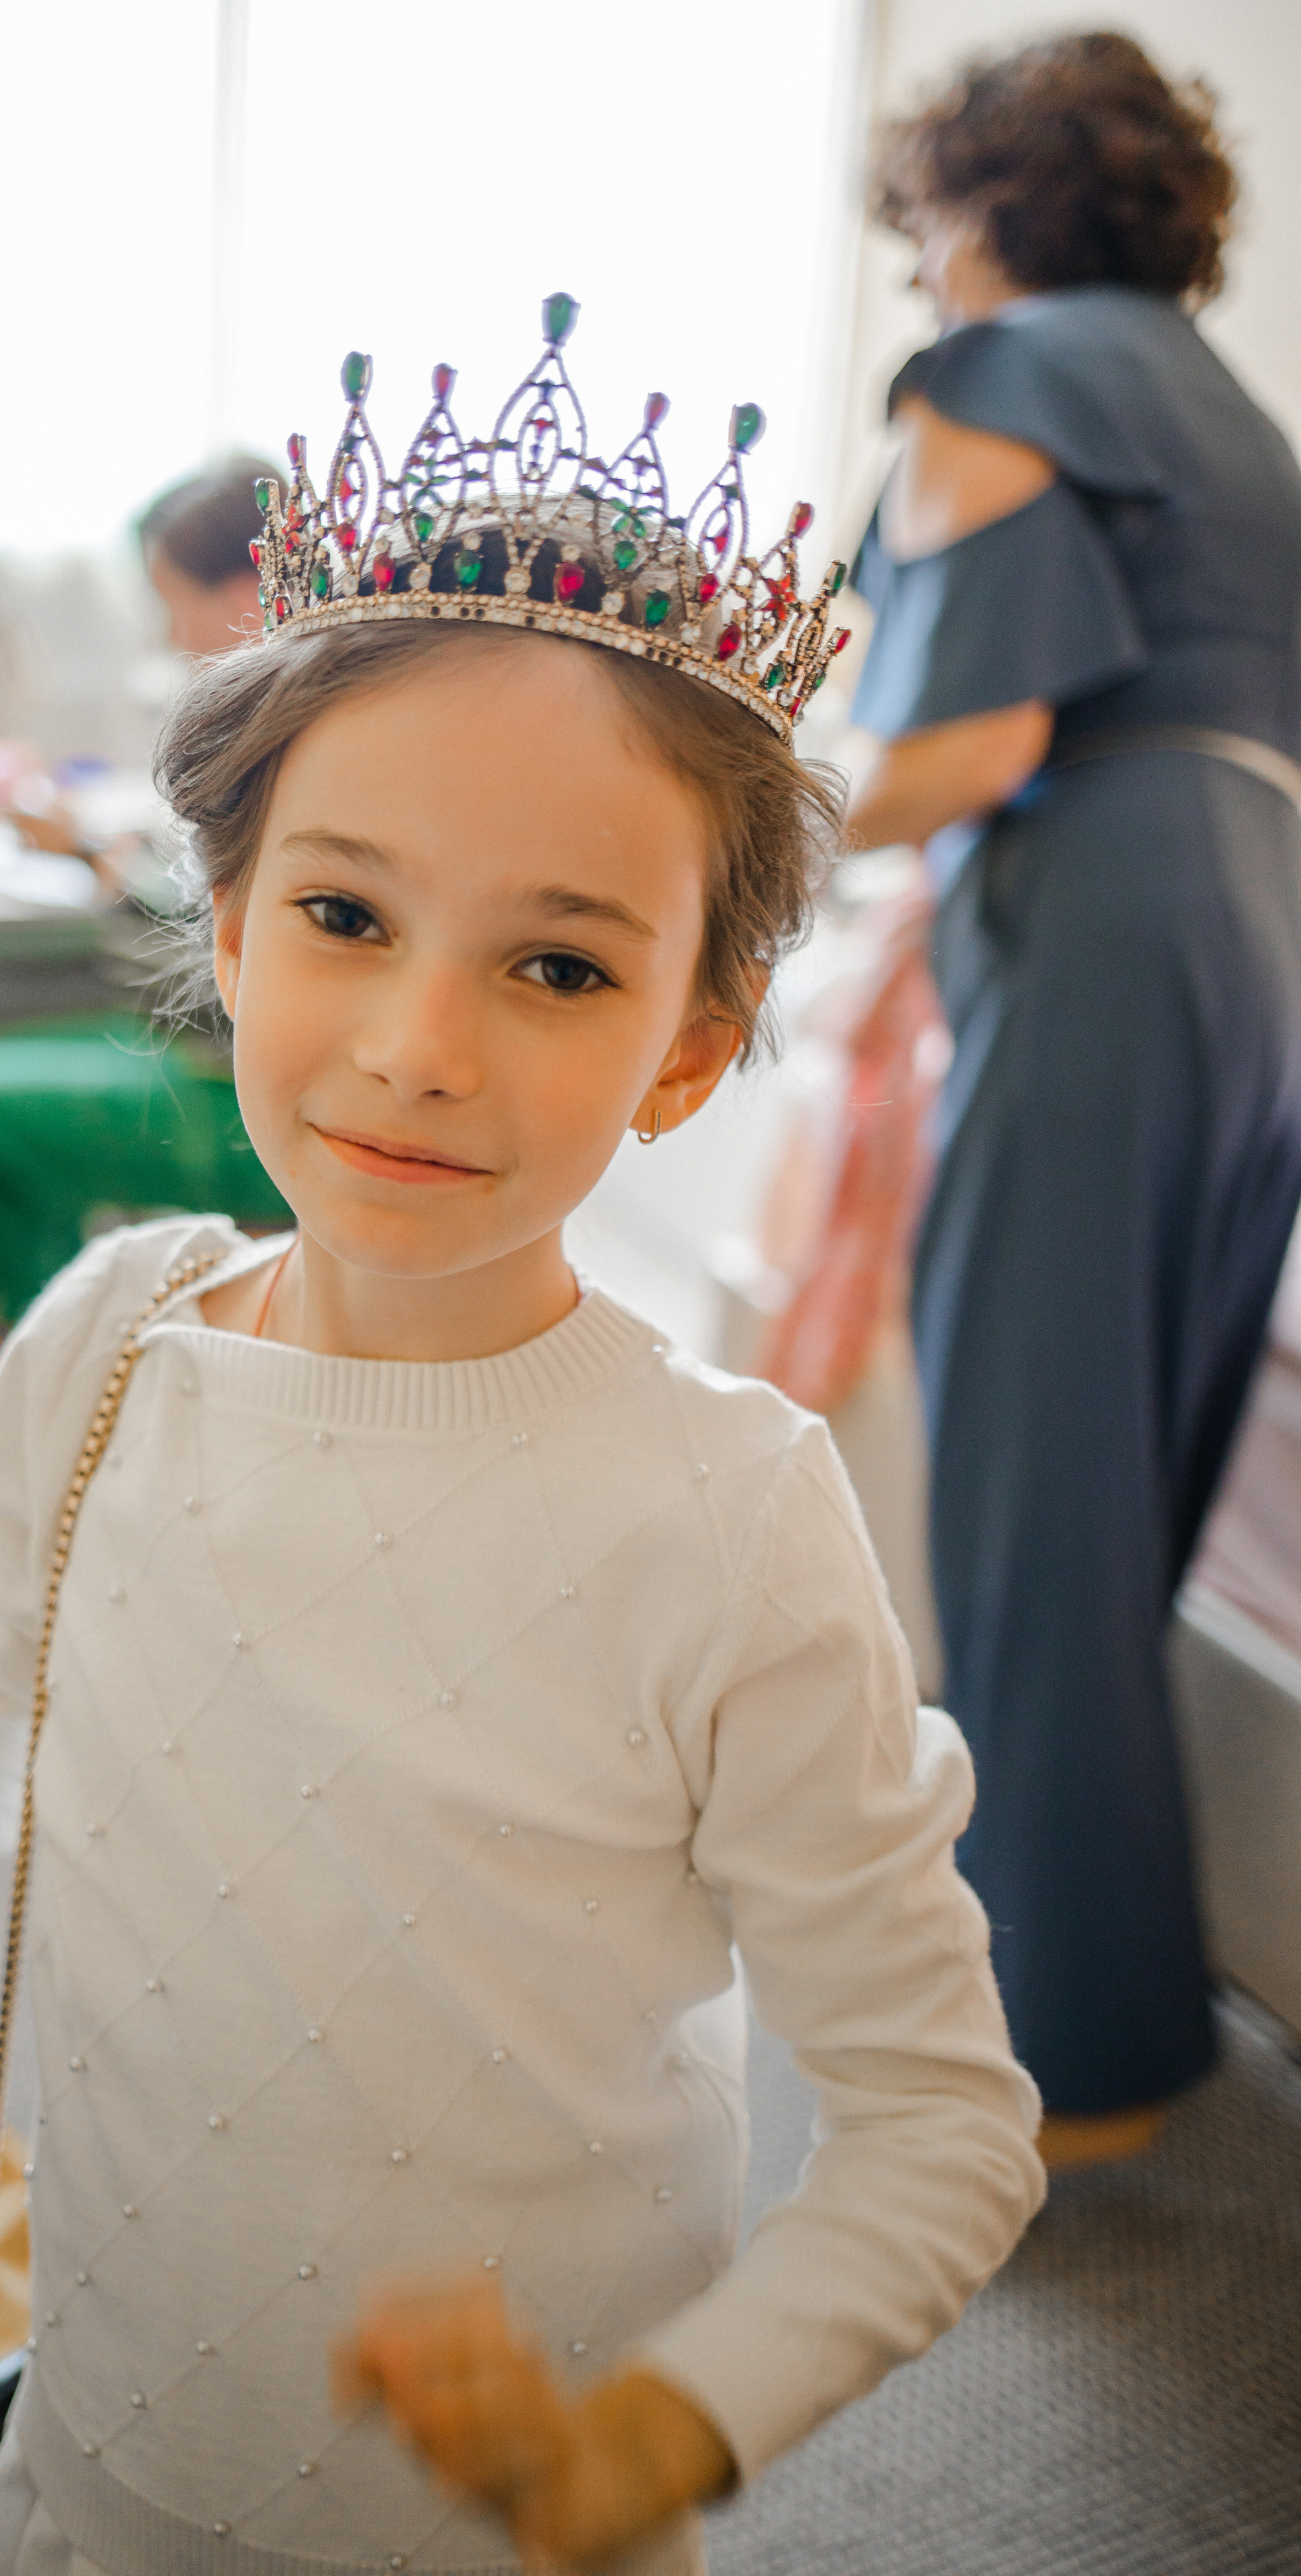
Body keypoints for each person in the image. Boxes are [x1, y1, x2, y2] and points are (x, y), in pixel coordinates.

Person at [0, 306, 1043, 2575]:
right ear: (236, 928)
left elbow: (940, 2123)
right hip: (89, 2484)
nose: (418, 1045)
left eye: (559, 966)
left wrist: (664, 2428)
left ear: (687, 1048)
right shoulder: (105, 1344)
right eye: (346, 917)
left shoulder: (731, 1512)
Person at [845, 32, 1301, 2167]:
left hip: (1111, 921)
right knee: (1120, 1486)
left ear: (977, 210)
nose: (926, 273)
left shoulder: (1002, 373)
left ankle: (1068, 2051)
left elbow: (968, 744)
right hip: (1263, 933)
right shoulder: (1233, 416)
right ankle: (1093, 2001)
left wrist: (715, 832)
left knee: (1034, 1490)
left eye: (930, 231)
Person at [0, 456, 290, 1458]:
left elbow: (227, 936)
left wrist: (97, 854)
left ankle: (52, 1392)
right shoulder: (279, 702)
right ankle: (45, 1364)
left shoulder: (284, 721)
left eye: (174, 600)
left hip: (237, 1077)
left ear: (244, 587)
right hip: (212, 1040)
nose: (171, 633)